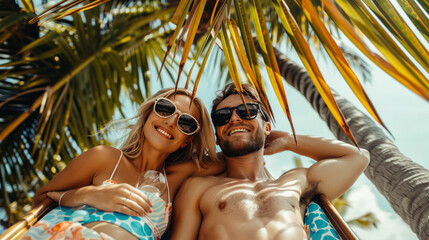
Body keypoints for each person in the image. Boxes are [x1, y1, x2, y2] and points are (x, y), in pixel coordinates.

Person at [171, 83, 370, 240]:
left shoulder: (295, 181)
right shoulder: (198, 187)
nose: (233, 119)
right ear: (217, 137)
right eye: (222, 117)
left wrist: (287, 141)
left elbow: (358, 157)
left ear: (267, 128)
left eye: (247, 111)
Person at [22, 88, 223, 240]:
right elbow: (42, 200)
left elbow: (235, 154)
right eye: (165, 109)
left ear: (187, 140)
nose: (171, 121)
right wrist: (90, 195)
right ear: (148, 114)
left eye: (186, 123)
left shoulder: (180, 176)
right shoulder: (105, 158)